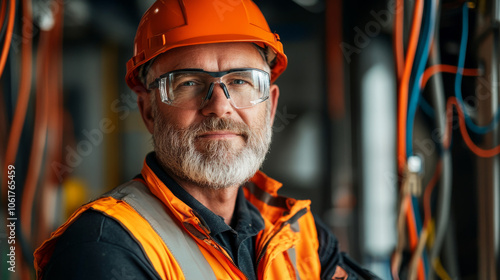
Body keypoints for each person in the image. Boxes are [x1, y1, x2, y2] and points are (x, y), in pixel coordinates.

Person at [34, 0, 379, 279]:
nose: (219, 106)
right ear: (148, 111)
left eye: (242, 81)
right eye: (187, 83)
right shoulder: (105, 246)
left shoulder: (298, 234)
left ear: (271, 106)